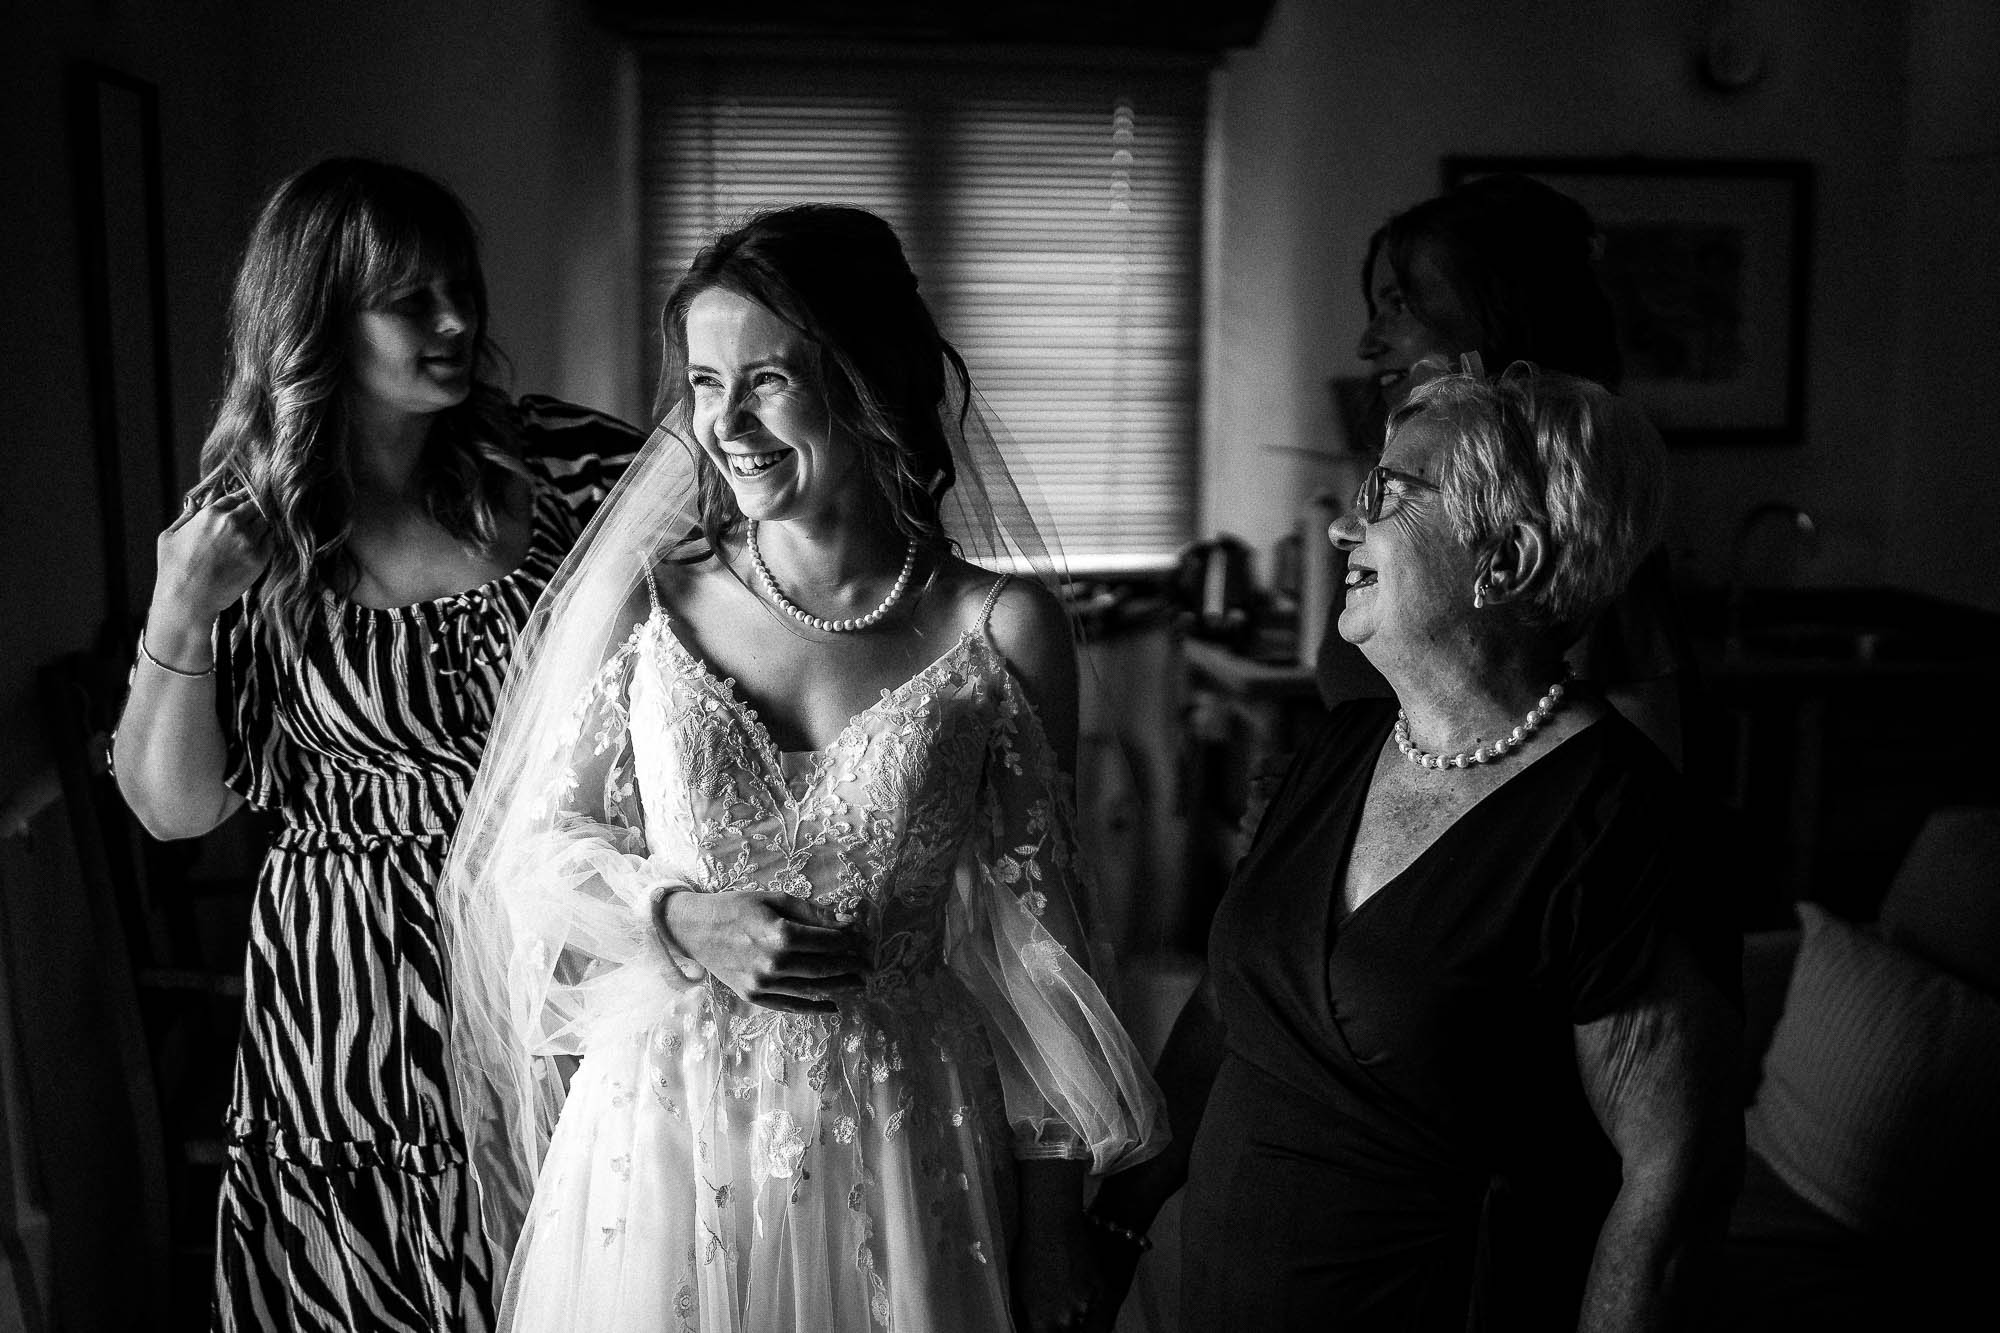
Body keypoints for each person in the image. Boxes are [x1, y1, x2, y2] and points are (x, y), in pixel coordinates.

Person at [438, 203, 1165, 1333]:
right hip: (667, 1145)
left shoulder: (999, 629)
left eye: (766, 379)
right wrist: (679, 916)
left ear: (866, 378)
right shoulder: (648, 604)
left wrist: (1054, 1228)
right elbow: (527, 860)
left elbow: (1041, 957)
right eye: (702, 382)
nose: (724, 422)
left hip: (901, 1139)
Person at [1088, 366, 1742, 1331]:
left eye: (1389, 497)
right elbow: (1227, 1007)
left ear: (1506, 561)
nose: (1345, 528)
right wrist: (1119, 1223)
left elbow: (1670, 1187)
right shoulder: (1344, 746)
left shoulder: (1620, 823)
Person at [112, 157, 642, 1332]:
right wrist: (178, 612)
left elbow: (729, 536)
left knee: (568, 1255)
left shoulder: (558, 466)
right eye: (412, 300)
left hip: (553, 938)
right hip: (350, 983)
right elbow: (172, 807)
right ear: (318, 320)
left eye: (461, 286)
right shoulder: (253, 529)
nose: (457, 320)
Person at [1324, 174, 1696, 768]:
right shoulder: (1394, 504)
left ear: (1497, 307)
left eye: (1398, 304)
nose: (1368, 341)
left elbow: (1642, 788)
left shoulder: (1570, 522)